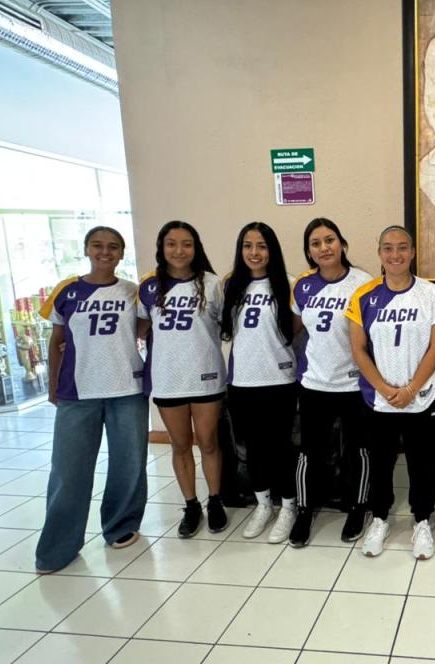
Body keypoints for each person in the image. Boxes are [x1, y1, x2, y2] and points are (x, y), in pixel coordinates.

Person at [35, 226, 148, 572]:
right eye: (98, 246)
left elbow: (144, 329)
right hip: (77, 392)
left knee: (128, 466)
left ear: (121, 252)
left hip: (126, 390)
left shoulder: (133, 292)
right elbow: (56, 342)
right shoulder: (67, 291)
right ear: (86, 249)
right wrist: (53, 386)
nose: (105, 252)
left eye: (113, 247)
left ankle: (120, 526)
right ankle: (58, 546)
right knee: (69, 471)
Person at [346, 226, 435, 559]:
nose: (395, 255)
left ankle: (421, 521)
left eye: (402, 248)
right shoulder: (363, 296)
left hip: (421, 396)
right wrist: (386, 389)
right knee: (381, 463)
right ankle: (379, 518)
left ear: (413, 252)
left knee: (422, 462)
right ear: (379, 253)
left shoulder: (431, 293)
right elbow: (358, 349)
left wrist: (411, 389)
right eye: (388, 248)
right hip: (380, 399)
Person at [137, 220, 228, 538]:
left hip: (206, 376)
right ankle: (191, 506)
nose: (179, 250)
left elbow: (225, 326)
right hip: (167, 377)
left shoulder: (213, 283)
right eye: (172, 243)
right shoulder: (149, 286)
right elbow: (138, 329)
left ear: (196, 247)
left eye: (186, 243)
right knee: (178, 445)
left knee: (209, 442)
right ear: (162, 248)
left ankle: (215, 501)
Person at [289, 218, 373, 546]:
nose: (324, 247)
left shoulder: (363, 282)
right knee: (310, 452)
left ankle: (358, 507)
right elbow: (297, 329)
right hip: (315, 384)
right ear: (309, 251)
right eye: (315, 243)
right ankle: (306, 509)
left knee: (358, 451)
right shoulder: (304, 285)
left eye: (330, 240)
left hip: (354, 385)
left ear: (342, 244)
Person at [220, 222, 299, 543]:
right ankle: (263, 504)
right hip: (242, 382)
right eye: (248, 246)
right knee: (252, 450)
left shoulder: (289, 284)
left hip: (280, 380)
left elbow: (297, 330)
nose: (255, 252)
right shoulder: (230, 286)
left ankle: (288, 507)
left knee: (281, 447)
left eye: (262, 246)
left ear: (272, 250)